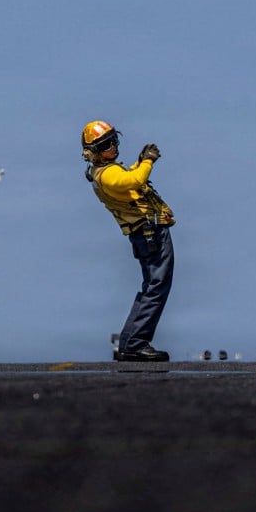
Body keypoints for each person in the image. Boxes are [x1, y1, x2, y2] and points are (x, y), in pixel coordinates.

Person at [83, 119, 176, 362]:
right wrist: (148, 161)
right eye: (106, 144)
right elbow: (133, 181)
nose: (113, 147)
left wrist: (138, 161)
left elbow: (129, 177)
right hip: (149, 231)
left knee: (151, 285)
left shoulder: (105, 171)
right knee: (158, 285)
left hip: (145, 232)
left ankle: (129, 342)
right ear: (93, 152)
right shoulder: (108, 174)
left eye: (114, 140)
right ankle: (136, 343)